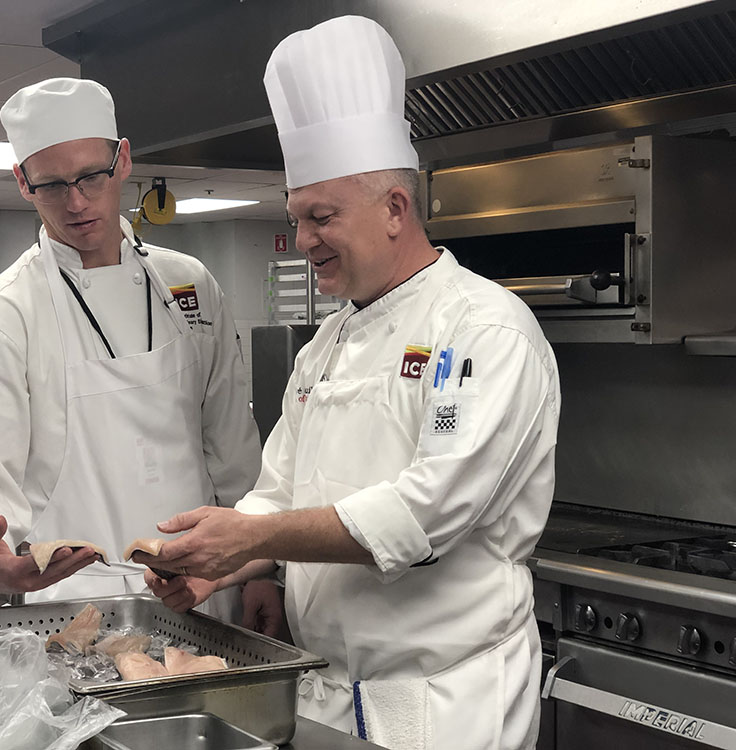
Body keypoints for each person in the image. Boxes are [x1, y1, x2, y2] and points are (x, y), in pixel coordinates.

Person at [135, 16, 561, 750]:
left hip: (446, 706)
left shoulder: (484, 329)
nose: (302, 242)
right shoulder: (325, 344)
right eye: (296, 218)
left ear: (395, 209)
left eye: (320, 217)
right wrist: (225, 561)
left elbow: (425, 516)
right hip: (328, 692)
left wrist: (254, 536)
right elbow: (279, 493)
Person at [0, 78, 261, 617]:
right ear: (21, 182)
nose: (76, 202)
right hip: (68, 611)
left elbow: (234, 450)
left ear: (123, 160)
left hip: (199, 598)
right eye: (52, 186)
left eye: (90, 177)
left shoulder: (190, 286)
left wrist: (256, 573)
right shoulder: (9, 312)